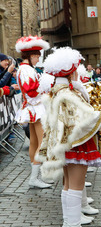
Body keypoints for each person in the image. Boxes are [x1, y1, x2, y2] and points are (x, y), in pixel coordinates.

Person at [37, 47, 101, 227]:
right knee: (75, 185)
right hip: (74, 143)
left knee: (68, 185)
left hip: (63, 143)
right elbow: (81, 118)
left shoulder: (57, 91)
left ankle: (69, 224)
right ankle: (73, 226)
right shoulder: (67, 92)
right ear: (70, 72)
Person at [15, 36, 52, 189]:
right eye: (36, 56)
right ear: (30, 56)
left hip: (32, 107)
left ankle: (36, 176)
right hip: (36, 107)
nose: (38, 59)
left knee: (34, 142)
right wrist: (46, 89)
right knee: (42, 143)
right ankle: (34, 178)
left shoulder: (24, 69)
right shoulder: (27, 70)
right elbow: (31, 91)